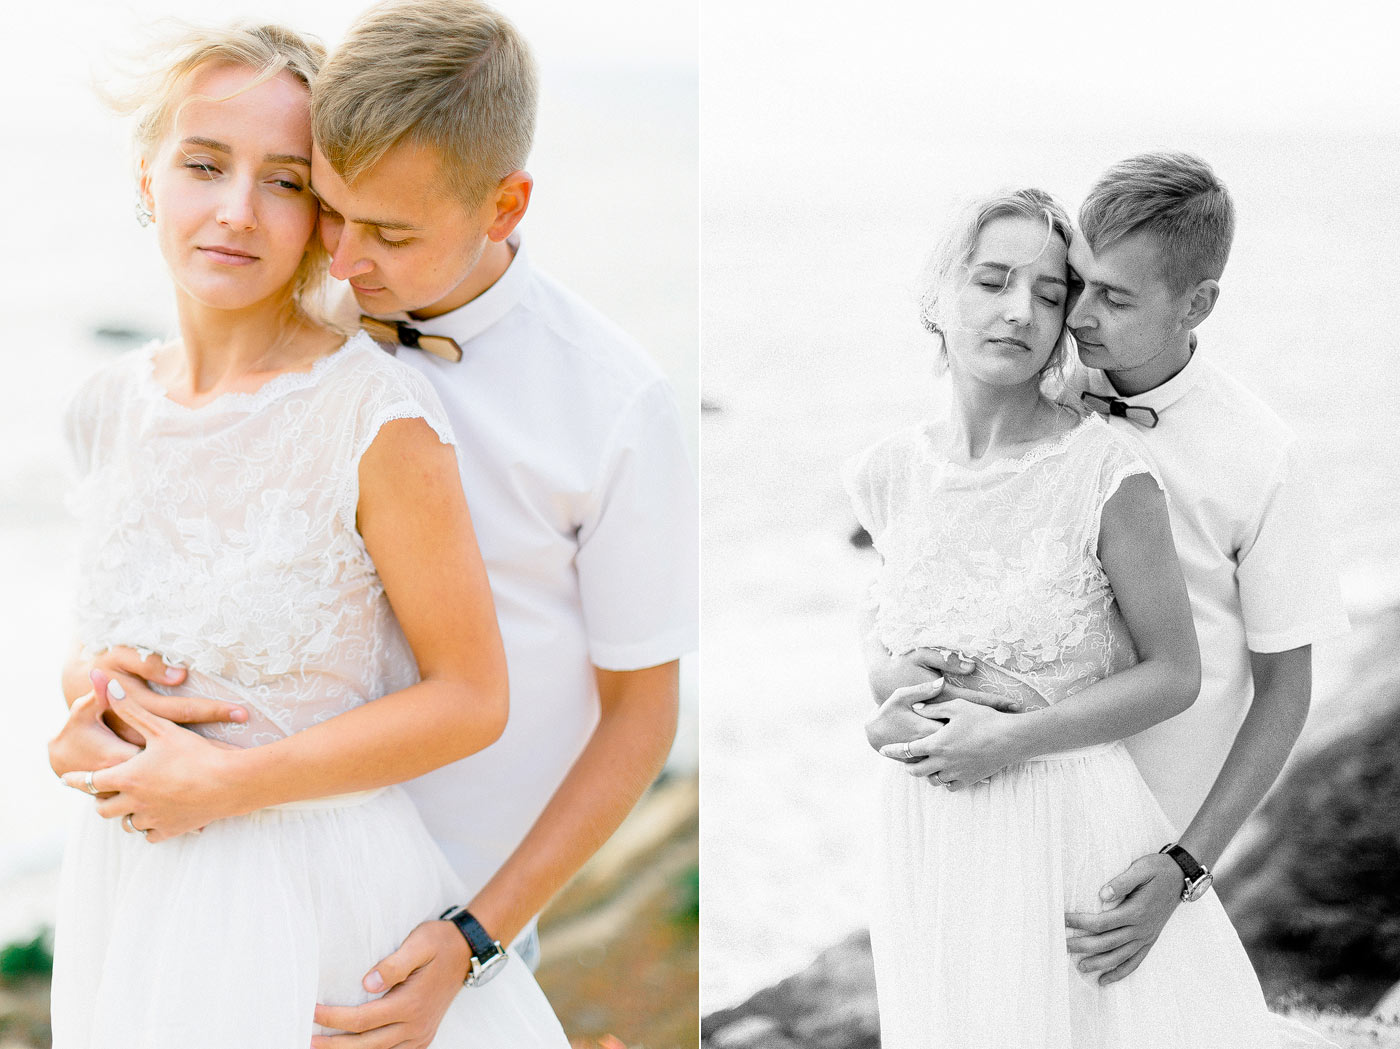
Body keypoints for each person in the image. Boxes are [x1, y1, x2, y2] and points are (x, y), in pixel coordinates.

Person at [52, 1, 698, 1044]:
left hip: (433, 913)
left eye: (385, 232)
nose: (343, 261)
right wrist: (97, 706)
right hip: (188, 884)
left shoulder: (608, 403)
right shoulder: (253, 345)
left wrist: (478, 933)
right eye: (334, 213)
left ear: (503, 207)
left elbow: (639, 715)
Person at [848, 187, 1333, 1047]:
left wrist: (1186, 863)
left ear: (1197, 305)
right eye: (1078, 288)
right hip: (932, 831)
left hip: (1112, 823)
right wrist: (893, 706)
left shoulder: (1247, 458)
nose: (1060, 317)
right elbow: (900, 625)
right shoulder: (903, 461)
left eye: (1076, 294)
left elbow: (1276, 689)